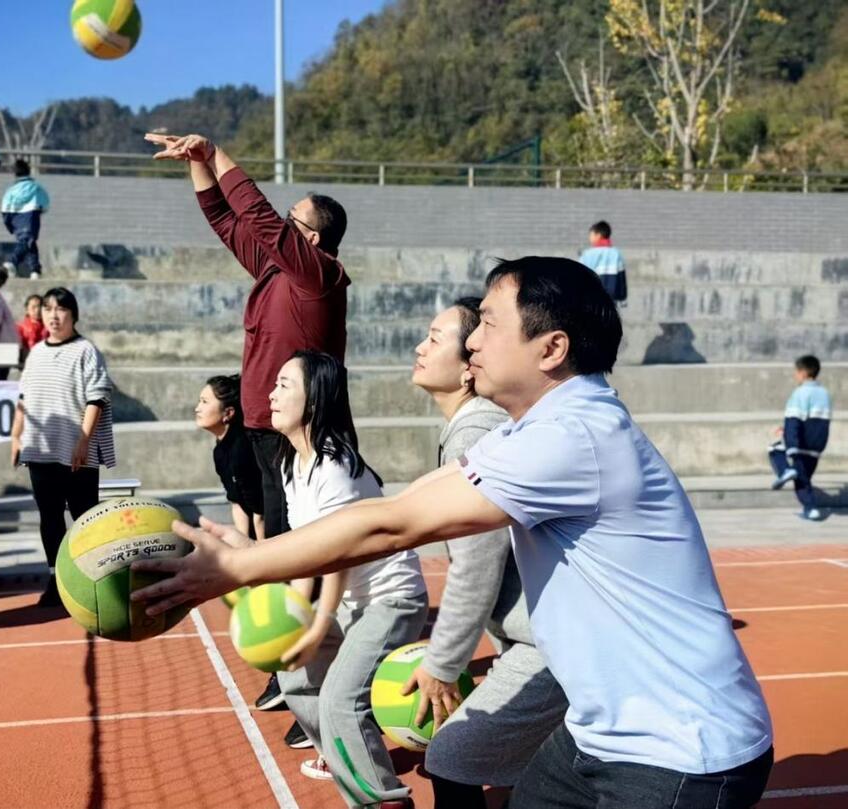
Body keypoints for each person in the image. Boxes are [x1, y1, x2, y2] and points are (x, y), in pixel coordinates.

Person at [135, 257, 775, 809]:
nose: (472, 344)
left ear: (551, 349)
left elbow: (392, 525)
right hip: (600, 732)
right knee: (470, 765)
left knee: (457, 757)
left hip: (681, 747)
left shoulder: (571, 436)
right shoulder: (537, 429)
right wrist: (257, 552)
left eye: (489, 325)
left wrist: (237, 569)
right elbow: (410, 501)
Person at [147, 131, 350, 713]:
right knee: (275, 544)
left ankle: (309, 679)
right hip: (264, 429)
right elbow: (227, 221)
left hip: (303, 434)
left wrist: (216, 153)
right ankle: (292, 668)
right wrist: (197, 168)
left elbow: (259, 218)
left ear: (310, 238)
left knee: (299, 553)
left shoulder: (320, 275)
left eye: (294, 222)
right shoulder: (277, 271)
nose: (282, 226)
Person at [410, 298, 566, 804]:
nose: (420, 346)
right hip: (528, 633)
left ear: (467, 369)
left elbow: (476, 562)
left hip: (545, 641)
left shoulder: (476, 429)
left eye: (435, 339)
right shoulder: (469, 424)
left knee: (451, 757)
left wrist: (441, 662)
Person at [260, 351, 426, 809]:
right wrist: (293, 620)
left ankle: (385, 800)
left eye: (284, 385)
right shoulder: (291, 464)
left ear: (314, 400)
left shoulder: (335, 468)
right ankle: (339, 754)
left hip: (391, 600)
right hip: (351, 598)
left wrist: (315, 625)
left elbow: (338, 558)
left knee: (340, 701)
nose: (272, 394)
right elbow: (306, 553)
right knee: (293, 674)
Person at [10, 288, 115, 608]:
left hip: (76, 453)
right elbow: (24, 399)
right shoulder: (37, 352)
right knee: (50, 517)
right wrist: (16, 437)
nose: (53, 315)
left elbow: (96, 398)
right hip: (40, 450)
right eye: (48, 309)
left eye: (61, 309)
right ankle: (56, 578)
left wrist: (83, 441)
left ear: (74, 314)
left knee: (85, 519)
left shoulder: (86, 351)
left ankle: (92, 578)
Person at [195, 374, 265, 540]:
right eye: (199, 401)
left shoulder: (243, 447)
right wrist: (241, 542)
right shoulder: (220, 451)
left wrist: (260, 552)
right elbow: (236, 502)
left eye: (205, 402)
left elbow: (261, 510)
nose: (197, 408)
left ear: (228, 413)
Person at [769, 354, 831, 521]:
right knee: (804, 478)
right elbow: (818, 420)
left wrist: (791, 444)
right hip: (816, 446)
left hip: (799, 445)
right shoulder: (824, 393)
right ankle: (809, 507)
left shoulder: (799, 393)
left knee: (774, 449)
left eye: (796, 372)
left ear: (803, 373)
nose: (794, 375)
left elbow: (794, 419)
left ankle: (786, 471)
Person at [1, 159, 50, 278]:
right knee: (27, 241)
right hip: (30, 215)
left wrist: (9, 223)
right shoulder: (36, 187)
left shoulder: (11, 190)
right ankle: (12, 262)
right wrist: (40, 210)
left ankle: (35, 270)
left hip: (14, 216)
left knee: (29, 242)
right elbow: (45, 204)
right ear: (28, 172)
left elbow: (4, 208)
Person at [578, 220, 627, 304]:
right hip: (611, 301)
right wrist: (622, 298)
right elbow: (621, 279)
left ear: (598, 235)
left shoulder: (587, 254)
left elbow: (579, 277)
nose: (590, 238)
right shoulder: (616, 254)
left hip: (591, 299)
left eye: (591, 235)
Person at [16, 294, 47, 365]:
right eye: (34, 307)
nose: (37, 310)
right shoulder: (21, 327)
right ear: (27, 310)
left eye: (40, 307)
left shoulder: (49, 327)